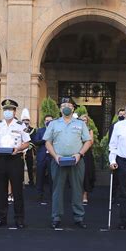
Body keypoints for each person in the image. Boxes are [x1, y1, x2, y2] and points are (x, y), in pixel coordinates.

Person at [43, 97, 92, 229]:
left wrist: (80, 154)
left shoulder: (80, 124)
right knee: (57, 190)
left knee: (77, 190)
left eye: (69, 105)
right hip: (58, 161)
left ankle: (79, 217)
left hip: (76, 161)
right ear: (60, 108)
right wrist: (55, 156)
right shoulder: (53, 124)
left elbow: (88, 141)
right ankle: (56, 217)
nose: (67, 107)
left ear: (73, 108)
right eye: (64, 105)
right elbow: (47, 142)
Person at [0, 99, 31, 229]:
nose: (7, 112)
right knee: (1, 190)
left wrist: (18, 149)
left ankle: (19, 219)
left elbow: (27, 143)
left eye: (10, 109)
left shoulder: (20, 125)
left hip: (15, 159)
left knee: (17, 190)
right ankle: (1, 218)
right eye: (5, 110)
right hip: (1, 159)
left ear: (14, 111)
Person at [33, 114, 54, 203]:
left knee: (52, 178)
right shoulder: (40, 131)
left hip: (52, 156)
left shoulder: (56, 130)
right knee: (40, 176)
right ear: (44, 121)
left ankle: (53, 196)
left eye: (50, 120)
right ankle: (39, 195)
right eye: (47, 120)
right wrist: (45, 139)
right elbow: (36, 141)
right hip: (42, 156)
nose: (48, 122)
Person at [79, 114, 96, 205]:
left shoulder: (89, 130)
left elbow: (91, 142)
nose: (83, 121)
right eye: (82, 120)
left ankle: (85, 195)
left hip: (87, 154)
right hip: (77, 153)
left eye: (85, 120)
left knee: (86, 174)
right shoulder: (76, 130)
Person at [21, 108, 36, 187]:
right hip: (20, 150)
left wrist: (29, 146)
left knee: (30, 167)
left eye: (27, 120)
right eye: (24, 120)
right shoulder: (19, 129)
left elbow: (34, 140)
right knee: (20, 167)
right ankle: (21, 182)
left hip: (29, 151)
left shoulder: (33, 130)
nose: (25, 121)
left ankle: (31, 181)